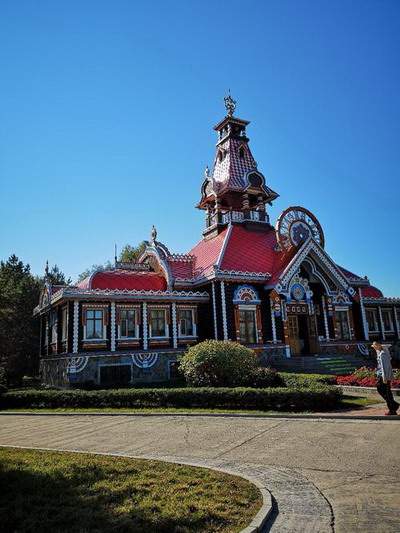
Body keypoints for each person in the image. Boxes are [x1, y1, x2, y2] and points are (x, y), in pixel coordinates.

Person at [371, 341, 399, 416]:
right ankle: (393, 406)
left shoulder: (383, 354)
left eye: (375, 346)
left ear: (379, 345)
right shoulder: (380, 353)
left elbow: (384, 367)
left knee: (382, 390)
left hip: (383, 376)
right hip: (381, 376)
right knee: (386, 392)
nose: (374, 347)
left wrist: (384, 378)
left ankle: (393, 408)